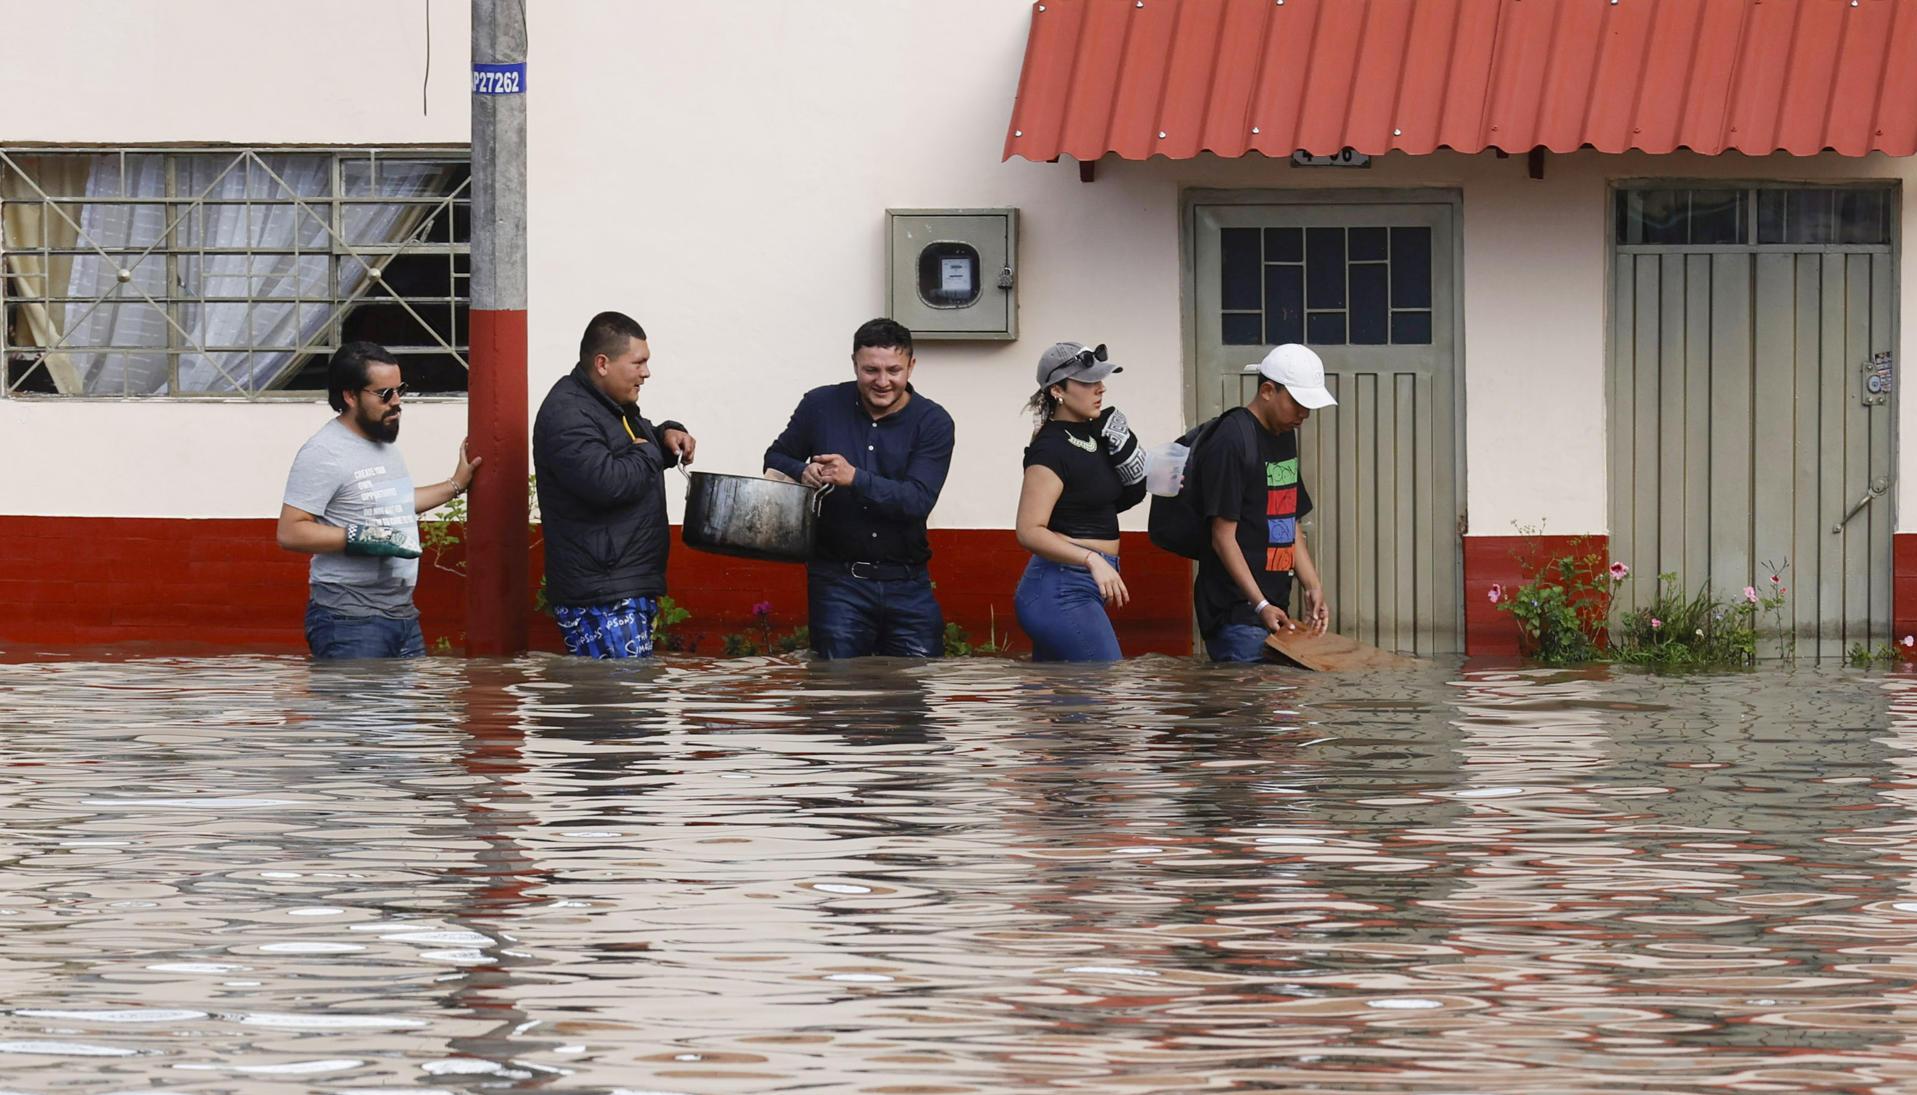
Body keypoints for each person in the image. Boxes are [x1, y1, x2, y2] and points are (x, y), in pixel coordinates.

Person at [763, 318, 955, 658]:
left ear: (911, 365)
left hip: (908, 583)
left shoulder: (934, 422)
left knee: (913, 700)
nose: (883, 381)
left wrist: (855, 479)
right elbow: (776, 457)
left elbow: (918, 500)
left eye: (894, 370)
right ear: (854, 364)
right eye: (871, 370)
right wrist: (803, 470)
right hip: (837, 582)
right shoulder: (819, 405)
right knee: (837, 700)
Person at [278, 341, 481, 659]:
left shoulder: (382, 443)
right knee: (359, 710)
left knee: (401, 710)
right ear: (350, 395)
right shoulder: (324, 452)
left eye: (400, 390)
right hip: (348, 621)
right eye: (385, 394)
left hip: (402, 616)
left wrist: (456, 484)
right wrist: (358, 537)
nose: (397, 402)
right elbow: (290, 531)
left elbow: (391, 504)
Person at [533, 311, 697, 659]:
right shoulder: (567, 414)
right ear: (603, 363)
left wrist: (665, 435)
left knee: (632, 705)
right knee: (617, 705)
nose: (646, 373)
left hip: (623, 583)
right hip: (602, 594)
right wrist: (651, 452)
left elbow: (636, 447)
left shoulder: (609, 405)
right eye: (638, 362)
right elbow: (607, 482)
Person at [1193, 343, 1335, 662]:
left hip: (1272, 611)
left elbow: (1287, 517)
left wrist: (1312, 585)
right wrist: (1259, 605)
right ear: (1268, 390)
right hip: (1236, 615)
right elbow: (1222, 536)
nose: (1304, 414)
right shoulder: (1232, 439)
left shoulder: (1284, 435)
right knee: (1253, 706)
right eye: (1297, 403)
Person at [1013, 342, 1148, 661]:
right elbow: (1029, 530)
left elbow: (1099, 504)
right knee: (1104, 689)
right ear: (1057, 389)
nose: (1100, 388)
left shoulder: (1096, 434)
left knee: (1066, 703)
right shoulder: (1050, 448)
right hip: (1061, 588)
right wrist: (1092, 559)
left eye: (1100, 380)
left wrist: (1145, 472)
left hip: (1083, 585)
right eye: (1087, 382)